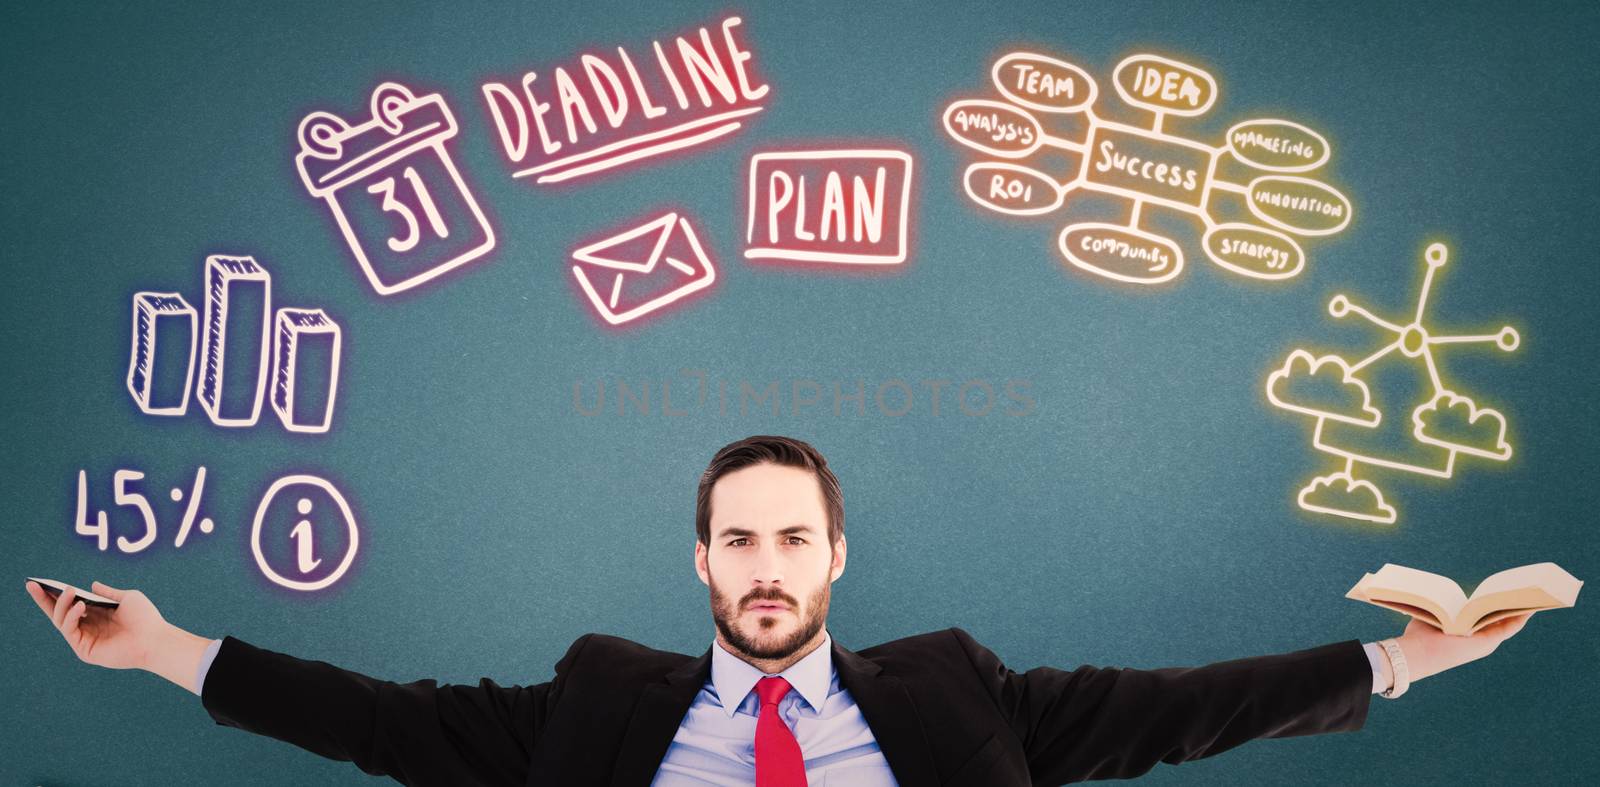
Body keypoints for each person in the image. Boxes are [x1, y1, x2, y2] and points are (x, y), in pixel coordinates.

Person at [27, 435, 1532, 786]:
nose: (763, 565)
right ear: (699, 563)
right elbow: (379, 722)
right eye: (736, 539)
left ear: (835, 560)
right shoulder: (600, 700)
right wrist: (159, 643)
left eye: (790, 539)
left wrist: (1410, 652)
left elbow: (1186, 706)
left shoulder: (958, 691)